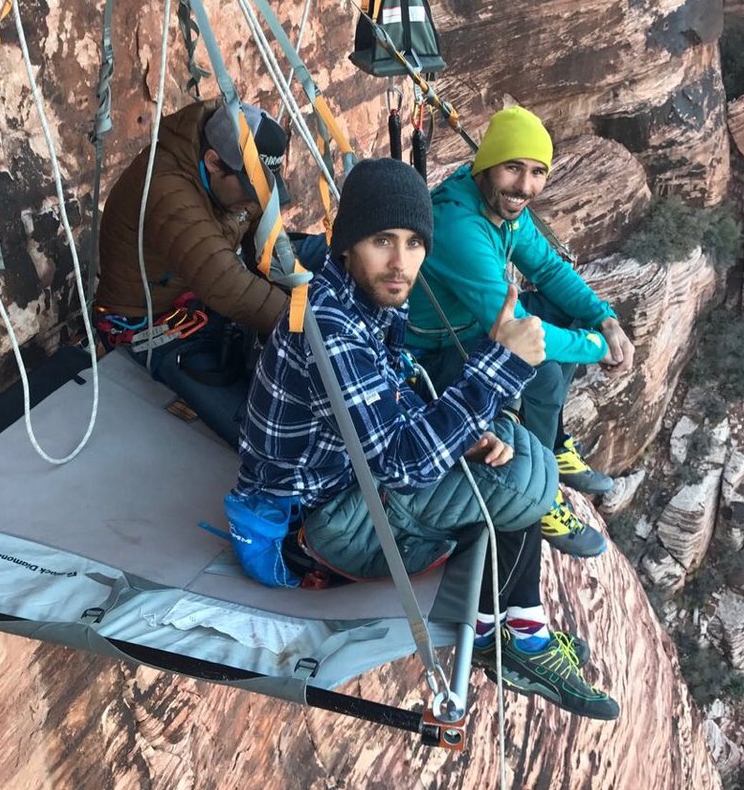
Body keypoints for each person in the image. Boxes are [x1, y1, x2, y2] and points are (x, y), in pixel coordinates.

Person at [233, 158, 619, 721]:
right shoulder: (328, 327)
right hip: (313, 523)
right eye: (382, 240)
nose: (400, 262)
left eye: (414, 243)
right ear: (346, 246)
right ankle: (509, 637)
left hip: (343, 478)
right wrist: (502, 364)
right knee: (519, 483)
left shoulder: (365, 301)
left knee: (512, 447)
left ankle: (517, 625)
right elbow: (400, 464)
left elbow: (391, 400)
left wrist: (468, 432)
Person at [406, 106, 636, 558]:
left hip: (475, 325)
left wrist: (604, 319)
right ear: (487, 165)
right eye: (513, 168)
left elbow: (548, 269)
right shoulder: (459, 226)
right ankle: (542, 490)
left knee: (572, 317)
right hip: (434, 352)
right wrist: (597, 348)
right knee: (543, 371)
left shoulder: (505, 211)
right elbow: (514, 333)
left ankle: (550, 442)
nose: (525, 187)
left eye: (537, 173)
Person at [93, 99, 292, 446]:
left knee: (318, 261)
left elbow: (267, 241)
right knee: (259, 434)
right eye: (250, 189)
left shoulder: (230, 164)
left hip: (200, 292)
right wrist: (310, 327)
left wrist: (304, 288)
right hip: (151, 323)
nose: (254, 200)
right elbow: (227, 284)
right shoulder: (166, 189)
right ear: (214, 163)